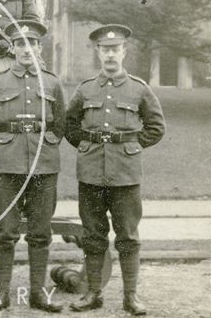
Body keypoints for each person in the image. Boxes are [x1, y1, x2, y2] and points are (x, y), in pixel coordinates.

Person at [66, 24, 165, 316]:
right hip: (91, 173)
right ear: (98, 52)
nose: (110, 55)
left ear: (124, 51)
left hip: (125, 174)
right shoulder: (85, 89)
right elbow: (70, 125)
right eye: (105, 49)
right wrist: (87, 146)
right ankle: (93, 294)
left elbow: (157, 127)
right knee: (93, 235)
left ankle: (130, 297)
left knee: (128, 237)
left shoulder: (139, 88)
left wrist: (130, 146)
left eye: (115, 49)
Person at [0, 20, 65, 313]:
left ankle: (38, 294)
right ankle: (1, 293)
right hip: (8, 164)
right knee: (5, 232)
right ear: (13, 49)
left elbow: (61, 123)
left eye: (32, 44)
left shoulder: (52, 82)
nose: (27, 50)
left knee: (41, 232)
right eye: (20, 44)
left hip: (44, 164)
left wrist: (49, 143)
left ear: (39, 48)